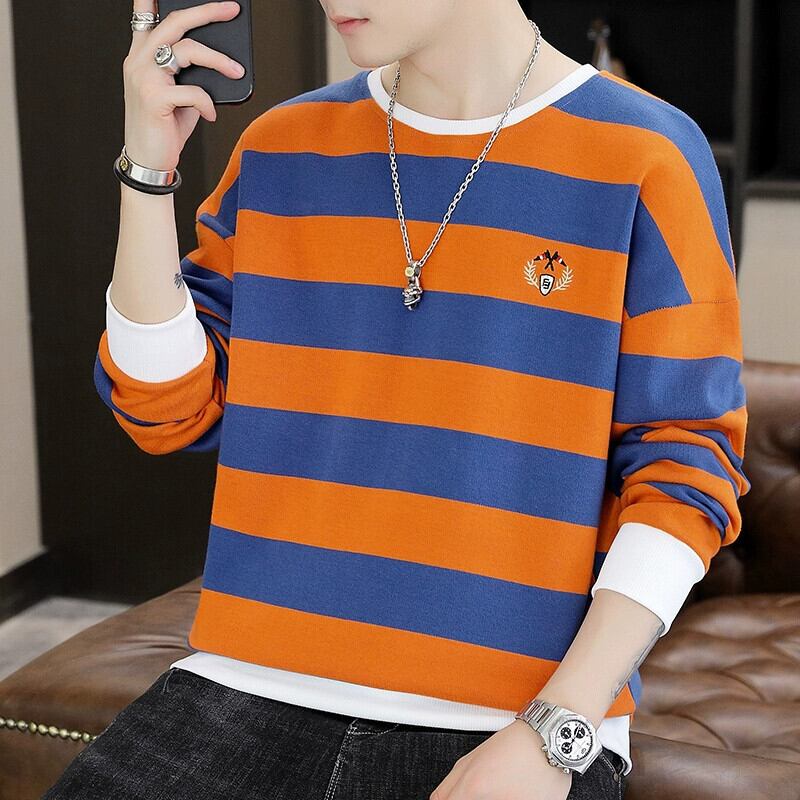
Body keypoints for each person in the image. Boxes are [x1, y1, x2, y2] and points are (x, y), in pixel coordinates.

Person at [44, 0, 751, 798]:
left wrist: (556, 730)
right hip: (242, 689)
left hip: (512, 720)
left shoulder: (645, 152)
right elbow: (162, 408)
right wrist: (147, 173)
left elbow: (685, 473)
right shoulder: (280, 147)